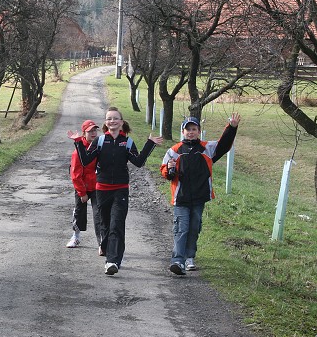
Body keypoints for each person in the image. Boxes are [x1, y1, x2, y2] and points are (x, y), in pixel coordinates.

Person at [67, 107, 163, 275]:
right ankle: (109, 250)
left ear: (121, 122)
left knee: (117, 225)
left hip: (120, 190)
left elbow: (138, 162)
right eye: (109, 118)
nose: (112, 121)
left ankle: (112, 261)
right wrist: (77, 142)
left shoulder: (128, 142)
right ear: (106, 122)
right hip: (102, 190)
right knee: (105, 225)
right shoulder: (100, 141)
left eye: (115, 118)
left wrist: (150, 144)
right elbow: (85, 160)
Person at [160, 113, 241, 275]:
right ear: (183, 131)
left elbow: (223, 146)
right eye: (187, 129)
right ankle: (177, 260)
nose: (191, 132)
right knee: (181, 228)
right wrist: (169, 170)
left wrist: (232, 128)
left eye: (194, 129)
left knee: (194, 227)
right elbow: (165, 171)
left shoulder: (206, 148)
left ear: (199, 131)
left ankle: (190, 258)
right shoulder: (174, 151)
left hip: (199, 197)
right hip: (180, 197)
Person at [66, 120, 101, 248]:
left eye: (95, 130)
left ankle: (102, 243)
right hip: (83, 187)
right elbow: (75, 175)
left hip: (97, 187)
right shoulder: (78, 152)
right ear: (84, 133)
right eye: (90, 131)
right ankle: (76, 236)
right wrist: (82, 192)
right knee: (79, 212)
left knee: (99, 214)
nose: (93, 133)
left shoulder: (99, 147)